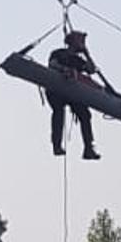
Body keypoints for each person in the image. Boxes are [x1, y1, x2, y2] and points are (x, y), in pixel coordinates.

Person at [46, 30, 101, 160]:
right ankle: (57, 145)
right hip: (57, 89)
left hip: (71, 91)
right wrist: (64, 69)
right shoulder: (58, 53)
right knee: (58, 112)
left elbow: (92, 69)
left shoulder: (78, 60)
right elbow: (52, 64)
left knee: (84, 114)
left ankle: (88, 149)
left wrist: (86, 53)